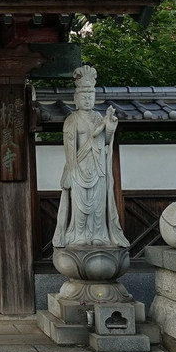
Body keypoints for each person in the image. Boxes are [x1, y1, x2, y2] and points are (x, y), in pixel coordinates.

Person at [53, 65, 128, 249]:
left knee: (97, 205)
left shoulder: (98, 117)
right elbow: (69, 147)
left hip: (97, 167)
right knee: (79, 206)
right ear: (75, 99)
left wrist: (109, 126)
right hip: (78, 167)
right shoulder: (72, 120)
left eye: (90, 97)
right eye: (84, 97)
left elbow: (107, 141)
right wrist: (70, 170)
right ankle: (79, 235)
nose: (87, 100)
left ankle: (99, 235)